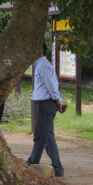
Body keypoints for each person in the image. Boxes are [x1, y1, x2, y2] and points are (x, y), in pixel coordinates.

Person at [26, 43, 66, 177]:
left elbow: (52, 87)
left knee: (47, 137)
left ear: (41, 50)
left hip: (46, 104)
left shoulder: (43, 65)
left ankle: (58, 168)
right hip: (43, 104)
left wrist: (58, 102)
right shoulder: (40, 64)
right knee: (39, 137)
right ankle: (32, 162)